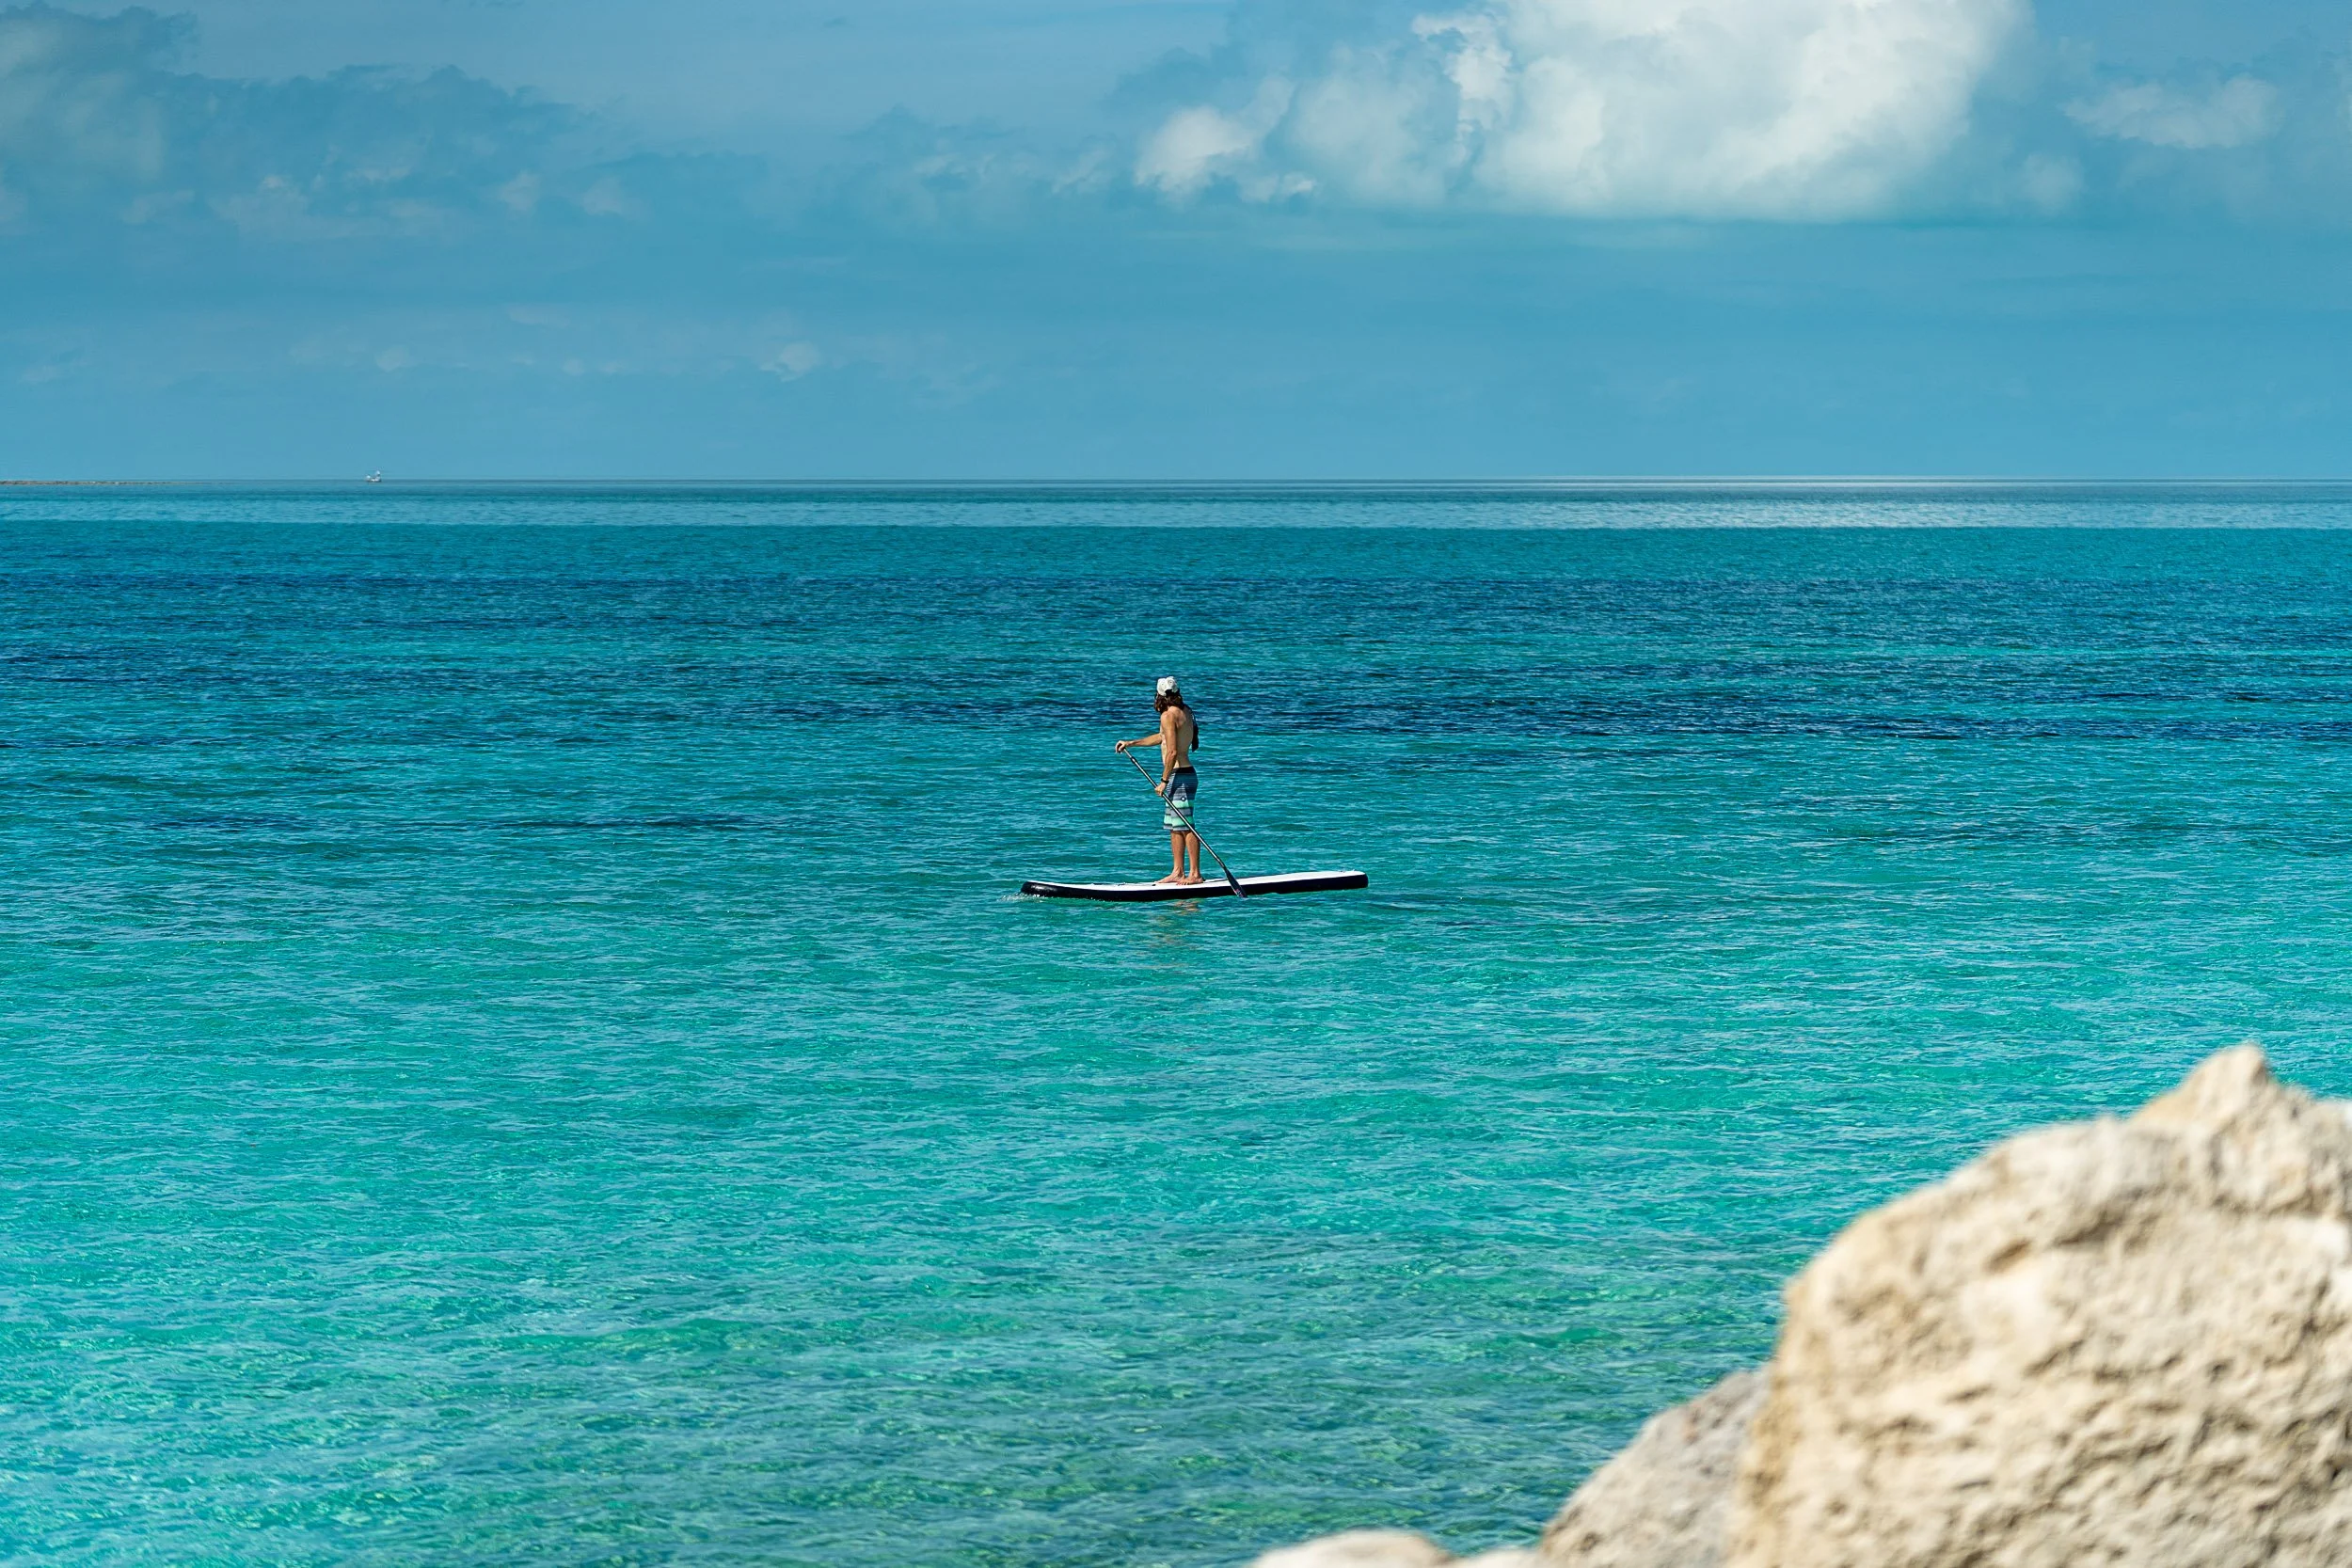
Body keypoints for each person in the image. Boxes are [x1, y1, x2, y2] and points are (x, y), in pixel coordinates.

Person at [1116, 676, 1201, 884]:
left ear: (1160, 695)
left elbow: (1172, 751)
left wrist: (1163, 780)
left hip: (1179, 776)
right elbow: (1163, 737)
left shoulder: (1168, 715)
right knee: (1174, 826)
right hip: (1182, 775)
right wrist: (1131, 743)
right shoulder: (1186, 710)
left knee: (1186, 825)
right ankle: (1177, 871)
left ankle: (1195, 874)